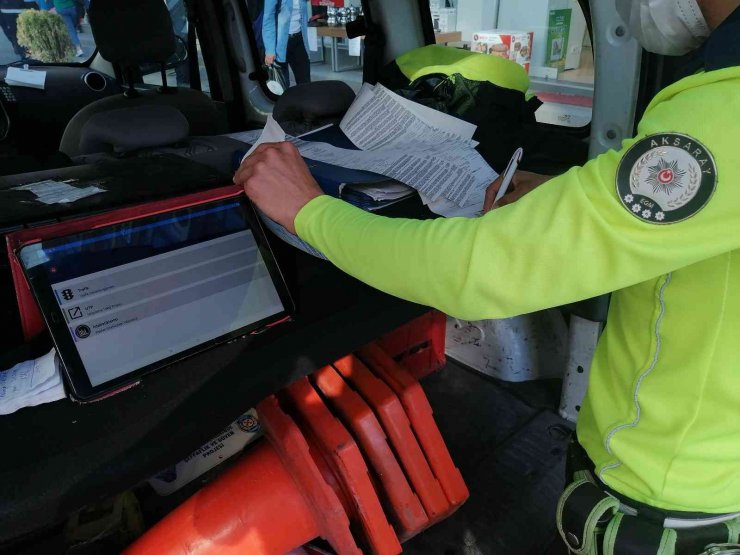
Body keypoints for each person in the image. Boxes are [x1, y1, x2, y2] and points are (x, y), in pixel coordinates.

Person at [236, 0, 740, 552]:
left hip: (672, 495)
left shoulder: (727, 107)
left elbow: (476, 272)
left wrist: (306, 209)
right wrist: (559, 196)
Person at [262, 0, 311, 87]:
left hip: (300, 39)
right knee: (282, 86)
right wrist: (269, 50)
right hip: (280, 44)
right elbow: (268, 19)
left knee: (305, 84)